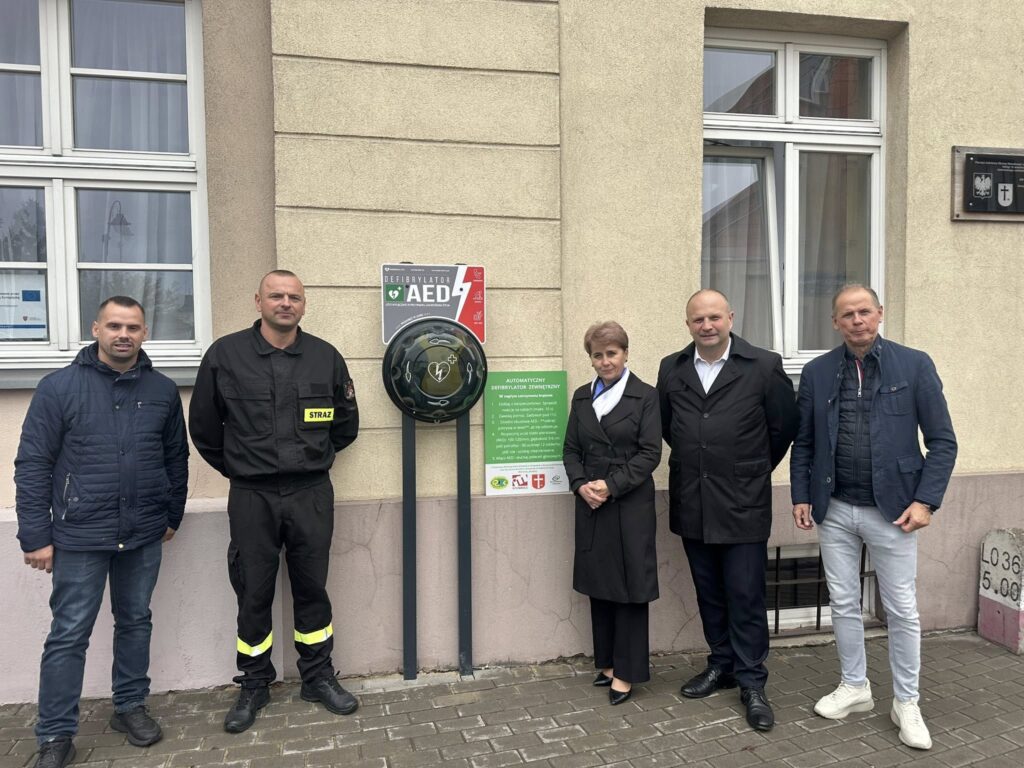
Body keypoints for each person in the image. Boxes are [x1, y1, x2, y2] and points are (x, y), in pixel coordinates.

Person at [15, 297, 189, 768]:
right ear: (96, 329)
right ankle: (55, 734)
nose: (123, 334)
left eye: (132, 327)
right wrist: (35, 535)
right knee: (69, 633)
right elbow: (33, 463)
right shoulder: (58, 388)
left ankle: (129, 706)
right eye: (114, 325)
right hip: (79, 535)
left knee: (135, 621)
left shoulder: (162, 390)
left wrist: (171, 514)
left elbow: (176, 457)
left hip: (143, 532)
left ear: (145, 332)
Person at [189, 270, 360, 733]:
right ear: (258, 301)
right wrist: (242, 467)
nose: (285, 303)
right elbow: (204, 428)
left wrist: (311, 460)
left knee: (312, 588)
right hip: (253, 495)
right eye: (276, 296)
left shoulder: (325, 357)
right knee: (253, 590)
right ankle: (254, 683)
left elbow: (345, 425)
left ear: (303, 304)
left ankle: (317, 677)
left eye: (294, 297)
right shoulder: (225, 355)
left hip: (310, 493)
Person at [790, 284, 956, 750]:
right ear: (835, 322)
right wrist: (801, 495)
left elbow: (943, 441)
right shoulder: (819, 371)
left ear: (879, 314)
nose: (857, 320)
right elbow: (804, 441)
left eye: (864, 311)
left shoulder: (914, 365)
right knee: (843, 602)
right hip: (835, 507)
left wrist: (926, 501)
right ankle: (855, 686)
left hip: (895, 511)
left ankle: (907, 702)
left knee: (901, 609)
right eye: (847, 314)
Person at [656, 289, 797, 732]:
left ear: (730, 318)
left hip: (742, 503)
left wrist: (747, 469)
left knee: (745, 596)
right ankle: (721, 665)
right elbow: (669, 427)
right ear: (688, 324)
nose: (707, 325)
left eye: (714, 317)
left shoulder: (764, 366)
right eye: (698, 319)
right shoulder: (672, 368)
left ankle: (752, 682)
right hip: (693, 500)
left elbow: (783, 428)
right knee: (710, 593)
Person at [563, 321, 662, 706]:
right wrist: (580, 485)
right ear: (590, 358)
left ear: (625, 353)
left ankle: (627, 671)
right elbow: (571, 449)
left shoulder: (646, 396)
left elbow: (650, 453)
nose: (605, 361)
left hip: (629, 504)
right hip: (591, 504)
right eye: (598, 355)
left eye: (612, 353)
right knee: (600, 584)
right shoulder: (581, 397)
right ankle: (606, 663)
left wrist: (611, 485)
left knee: (630, 589)